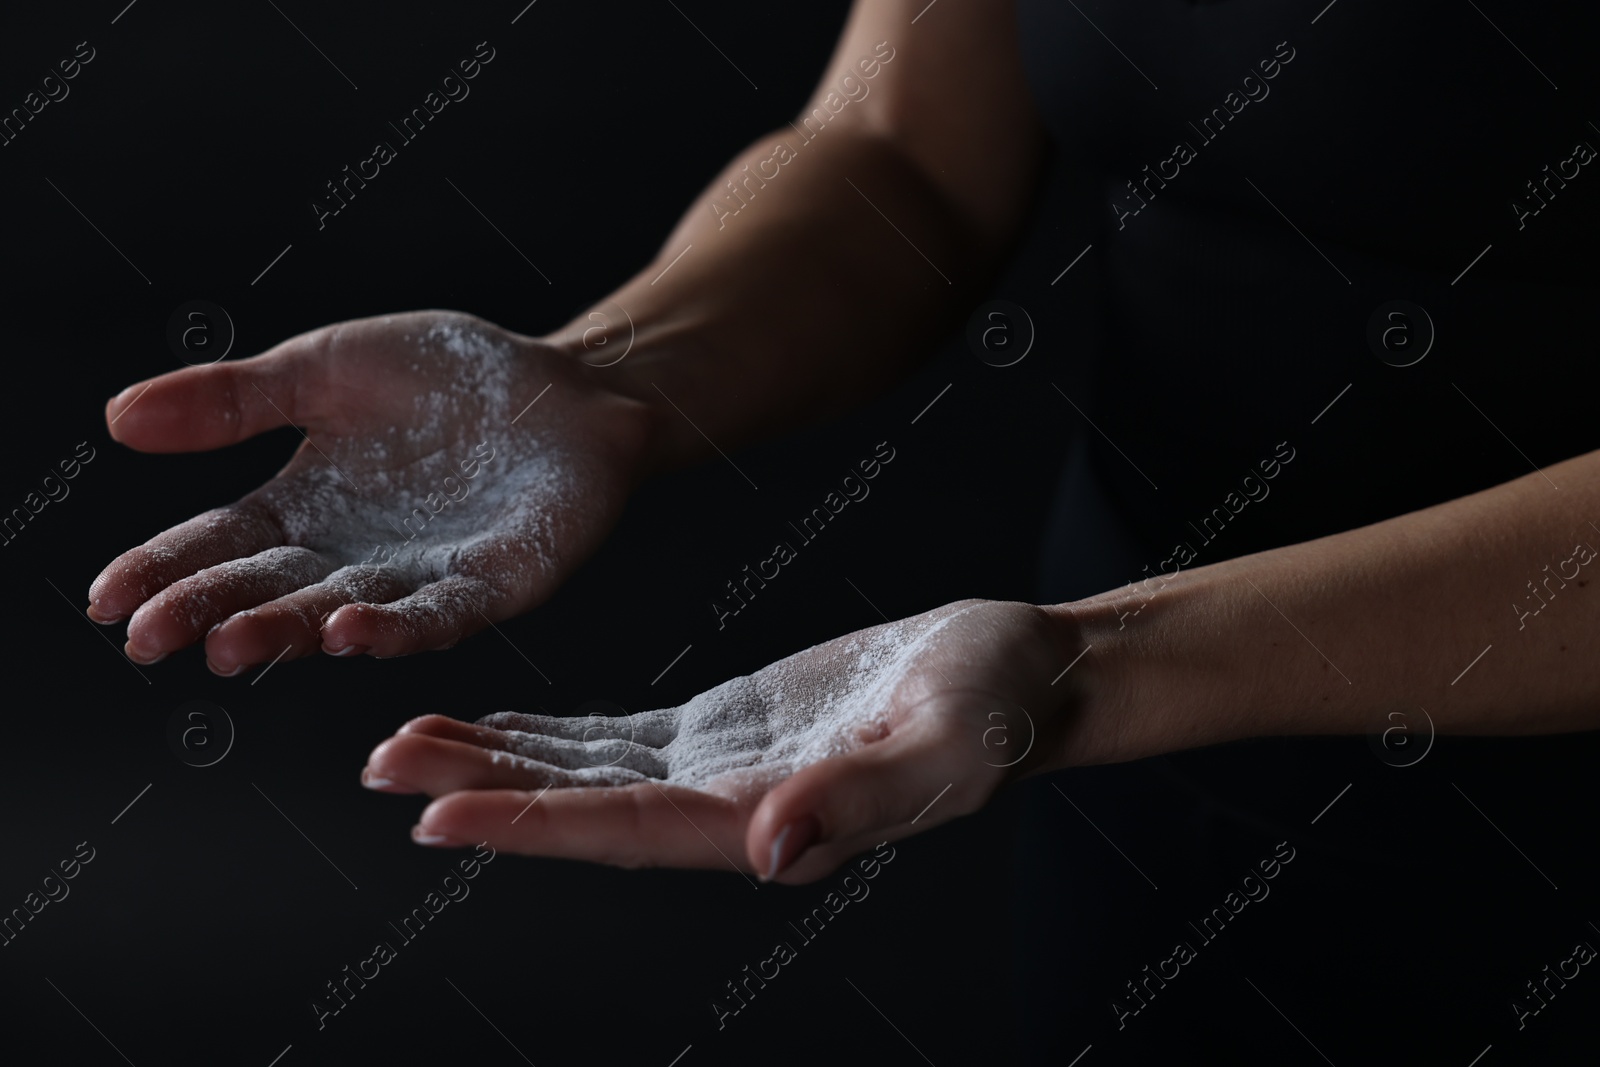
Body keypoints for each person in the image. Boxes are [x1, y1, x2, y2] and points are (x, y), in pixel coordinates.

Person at [87, 0, 1597, 1054]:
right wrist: (604, 379)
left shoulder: (1092, 670)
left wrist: (1107, 664)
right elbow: (906, 153)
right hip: (1147, 792)